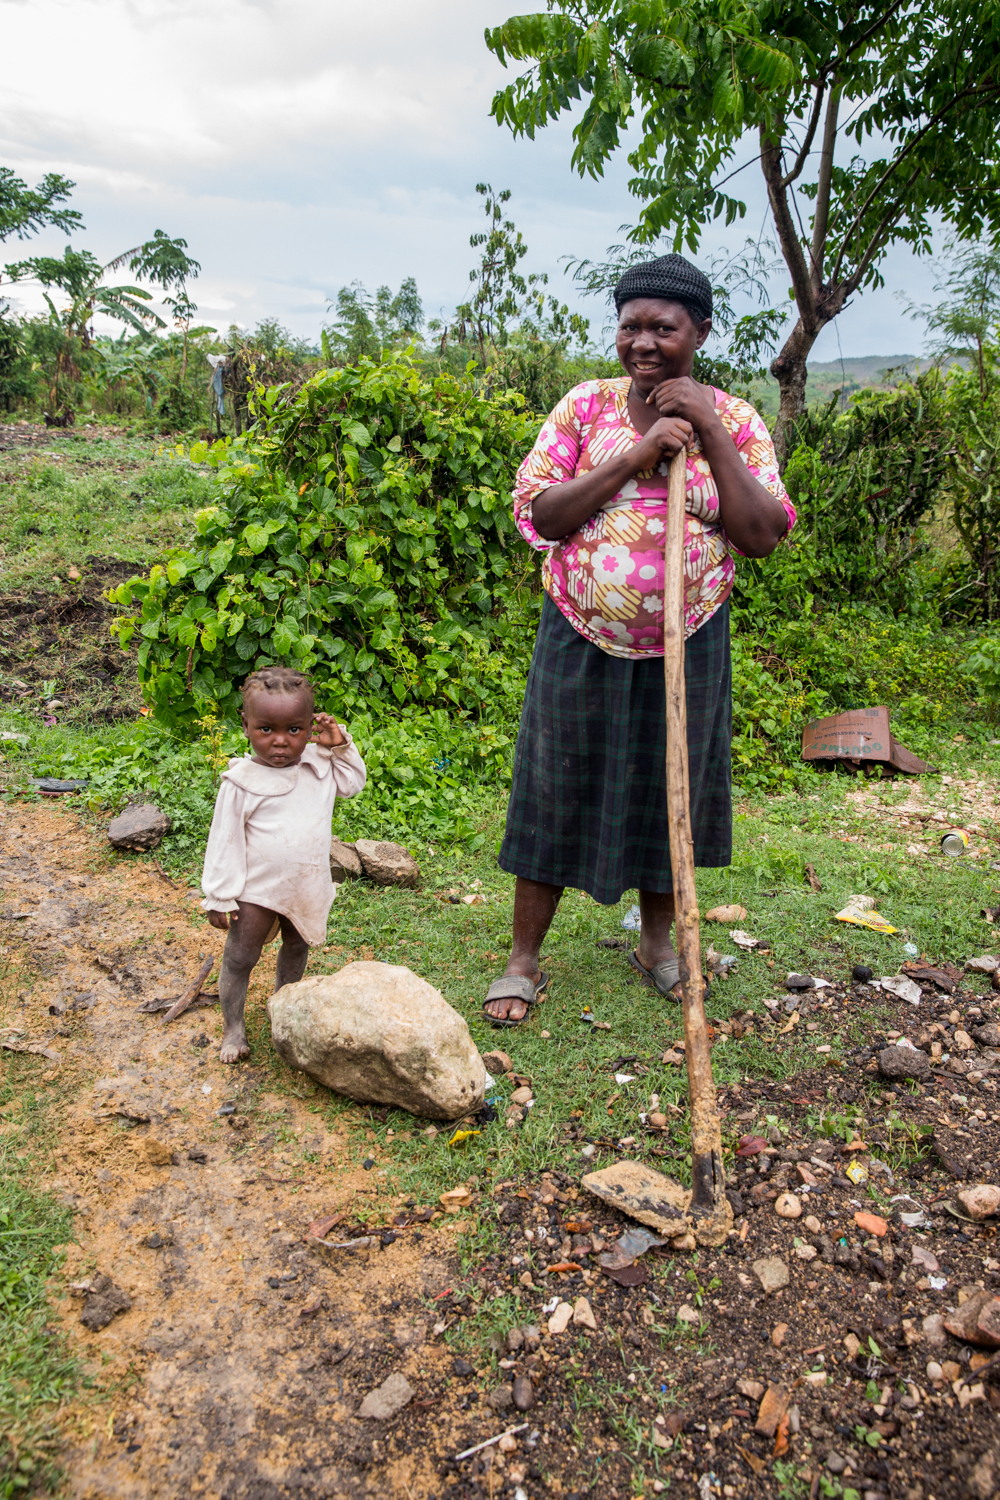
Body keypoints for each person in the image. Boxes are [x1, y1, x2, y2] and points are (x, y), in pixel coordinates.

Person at [484, 253, 796, 1027]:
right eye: (631, 326)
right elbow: (544, 517)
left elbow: (759, 534)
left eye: (664, 326)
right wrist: (637, 452)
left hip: (690, 640)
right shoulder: (585, 410)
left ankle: (659, 946)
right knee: (554, 782)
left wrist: (709, 430)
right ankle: (524, 957)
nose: (644, 341)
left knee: (673, 789)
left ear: (700, 332)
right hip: (578, 631)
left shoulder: (740, 420)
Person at [200, 666, 367, 1062]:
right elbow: (224, 842)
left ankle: (283, 1009)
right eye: (266, 730)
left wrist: (339, 743)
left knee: (297, 945)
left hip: (306, 884)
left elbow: (353, 783)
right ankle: (233, 1028)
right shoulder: (240, 781)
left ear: (311, 726)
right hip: (257, 889)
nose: (280, 742)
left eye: (294, 730)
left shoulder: (320, 763)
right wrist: (219, 895)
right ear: (246, 725)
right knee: (241, 955)